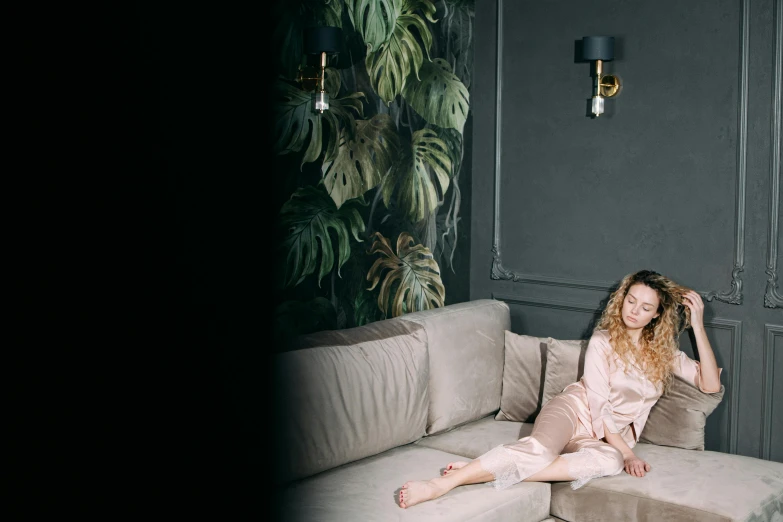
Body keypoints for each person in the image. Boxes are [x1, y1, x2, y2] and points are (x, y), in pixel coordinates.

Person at [397, 269, 722, 509]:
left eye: (645, 307)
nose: (633, 311)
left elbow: (709, 384)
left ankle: (477, 470)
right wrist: (627, 452)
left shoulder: (664, 354)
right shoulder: (603, 340)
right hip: (573, 410)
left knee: (608, 464)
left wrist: (696, 326)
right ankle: (444, 483)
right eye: (630, 300)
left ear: (656, 316)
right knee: (541, 450)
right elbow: (597, 404)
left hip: (600, 438)